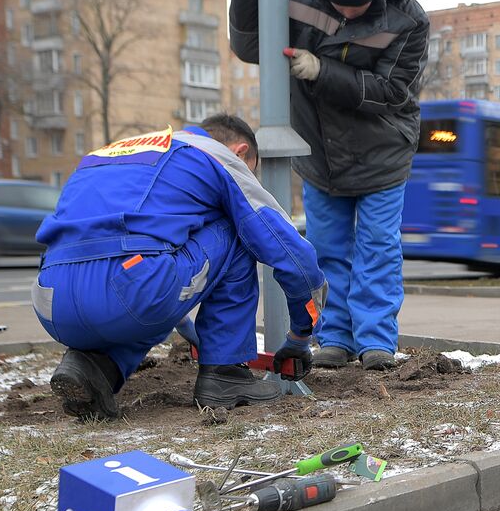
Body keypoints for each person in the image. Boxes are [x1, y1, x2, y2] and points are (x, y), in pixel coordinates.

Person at [31, 114, 327, 419]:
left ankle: (95, 367)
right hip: (133, 291)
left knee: (141, 278)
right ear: (239, 153)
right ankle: (225, 374)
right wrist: (301, 335)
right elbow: (290, 251)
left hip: (51, 300)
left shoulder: (111, 152)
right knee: (238, 228)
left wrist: (195, 334)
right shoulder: (215, 155)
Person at [229, 0, 430, 370]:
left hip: (382, 153)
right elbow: (249, 45)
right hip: (319, 153)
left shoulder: (407, 17)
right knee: (326, 248)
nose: (346, 12)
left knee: (377, 247)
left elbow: (393, 90)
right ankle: (335, 337)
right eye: (338, 3)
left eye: (356, 5)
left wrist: (321, 70)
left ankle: (377, 340)